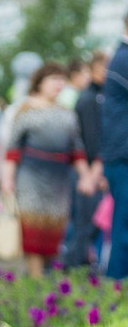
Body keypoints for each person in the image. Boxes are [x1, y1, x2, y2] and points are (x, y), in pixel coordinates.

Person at [2, 62, 94, 278]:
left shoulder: (67, 113)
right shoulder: (25, 109)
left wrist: (86, 176)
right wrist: (8, 179)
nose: (59, 84)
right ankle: (35, 281)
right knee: (32, 230)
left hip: (59, 181)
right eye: (54, 79)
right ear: (40, 82)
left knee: (53, 231)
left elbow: (77, 150)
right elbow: (13, 149)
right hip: (30, 179)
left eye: (62, 79)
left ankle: (43, 280)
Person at [67, 51, 108, 268]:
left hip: (92, 169)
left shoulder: (96, 96)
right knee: (86, 224)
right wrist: (94, 173)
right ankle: (76, 268)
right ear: (92, 69)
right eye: (103, 69)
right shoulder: (90, 99)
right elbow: (92, 140)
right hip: (89, 171)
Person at [101, 10, 128, 279]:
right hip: (122, 156)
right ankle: (117, 284)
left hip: (120, 155)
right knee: (124, 224)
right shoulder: (123, 58)